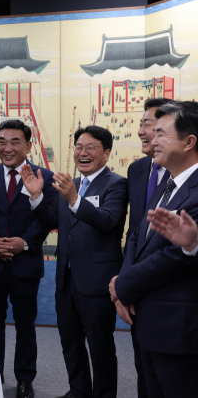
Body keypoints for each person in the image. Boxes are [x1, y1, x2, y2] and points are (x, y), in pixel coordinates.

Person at [21, 125, 128, 398]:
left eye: (90, 147)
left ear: (106, 153)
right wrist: (36, 196)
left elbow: (107, 221)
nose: (83, 153)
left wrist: (74, 199)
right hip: (65, 280)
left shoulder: (116, 184)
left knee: (100, 347)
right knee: (70, 343)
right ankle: (78, 391)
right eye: (79, 147)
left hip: (97, 281)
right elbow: (52, 222)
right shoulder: (72, 185)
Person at [111, 102, 198, 397]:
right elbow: (138, 235)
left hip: (178, 330)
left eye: (161, 133)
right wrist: (123, 287)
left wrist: (122, 285)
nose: (151, 138)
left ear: (189, 142)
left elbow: (176, 253)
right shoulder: (166, 182)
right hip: (145, 320)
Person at [0, 120, 56, 397]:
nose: (8, 148)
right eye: (2, 141)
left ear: (28, 145)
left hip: (26, 264)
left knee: (26, 324)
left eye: (15, 142)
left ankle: (25, 378)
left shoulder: (44, 177)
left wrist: (24, 243)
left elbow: (49, 219)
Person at [121, 97, 172, 398]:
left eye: (149, 125)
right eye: (140, 124)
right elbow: (135, 231)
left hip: (170, 290)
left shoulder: (183, 176)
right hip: (136, 287)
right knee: (143, 366)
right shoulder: (137, 170)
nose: (142, 131)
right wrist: (126, 283)